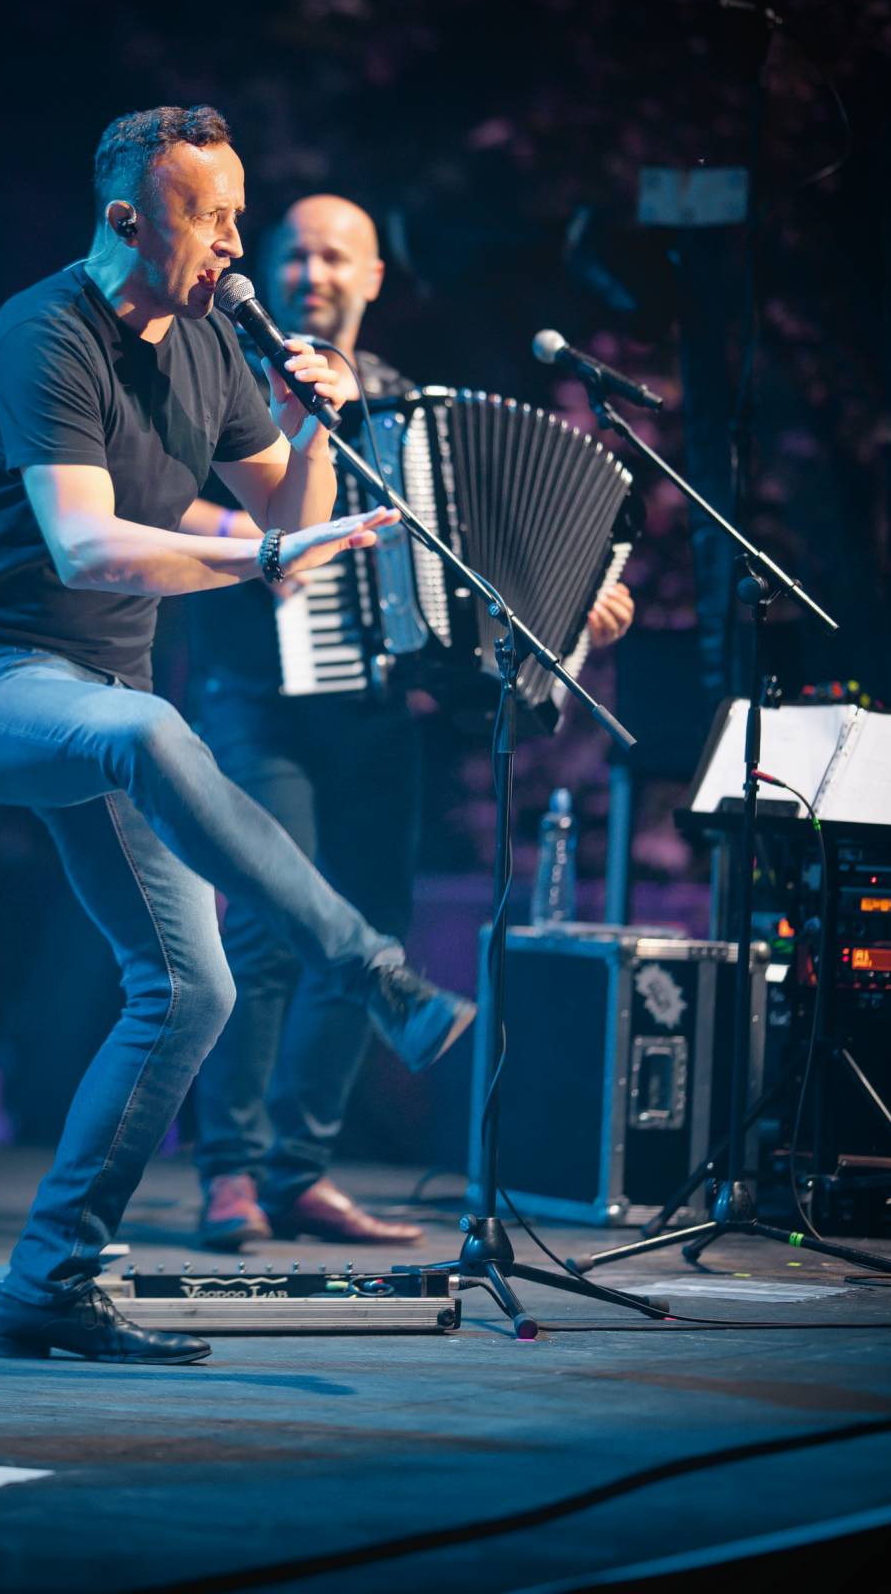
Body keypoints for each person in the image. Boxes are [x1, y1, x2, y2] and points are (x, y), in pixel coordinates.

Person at [0, 109, 475, 1367]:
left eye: (234, 214)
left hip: (110, 707)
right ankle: (371, 968)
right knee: (152, 724)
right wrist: (261, 549)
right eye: (206, 219)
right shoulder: (43, 333)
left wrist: (312, 417)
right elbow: (89, 543)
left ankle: (48, 1278)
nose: (231, 244)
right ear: (127, 221)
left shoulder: (217, 344)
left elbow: (285, 508)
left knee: (192, 988)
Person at [179, 196, 635, 1251]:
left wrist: (574, 608)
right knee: (269, 934)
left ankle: (297, 1170)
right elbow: (190, 516)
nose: (311, 272)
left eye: (336, 256)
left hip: (376, 706)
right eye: (294, 253)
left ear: (373, 277)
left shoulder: (397, 406)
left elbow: (462, 580)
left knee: (370, 928)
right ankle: (231, 1173)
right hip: (256, 695)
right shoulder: (217, 381)